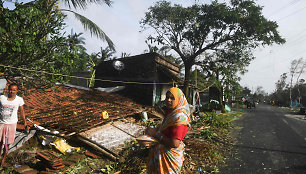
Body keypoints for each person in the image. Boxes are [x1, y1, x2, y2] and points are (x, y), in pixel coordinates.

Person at [146, 87, 190, 174]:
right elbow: (165, 127)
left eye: (172, 98)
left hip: (169, 158)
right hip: (162, 155)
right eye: (167, 97)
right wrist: (154, 130)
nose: (168, 100)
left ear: (179, 99)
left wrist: (155, 134)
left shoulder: (179, 117)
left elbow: (175, 143)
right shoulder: (171, 112)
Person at [0, 83, 27, 167]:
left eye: (14, 90)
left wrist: (24, 122)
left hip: (11, 124)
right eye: (10, 89)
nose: (11, 91)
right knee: (0, 143)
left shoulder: (19, 100)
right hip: (1, 123)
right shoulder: (2, 98)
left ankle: (2, 161)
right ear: (8, 89)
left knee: (7, 145)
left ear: (17, 91)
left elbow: (22, 111)